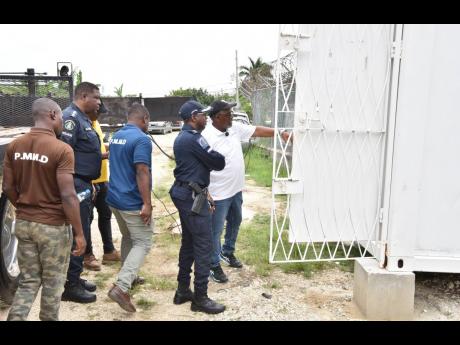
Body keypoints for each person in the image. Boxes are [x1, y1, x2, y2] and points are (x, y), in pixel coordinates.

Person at [2, 98, 86, 321]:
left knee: (29, 280)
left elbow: (8, 187)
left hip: (24, 224)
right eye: (60, 116)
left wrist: (23, 206)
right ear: (51, 115)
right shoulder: (62, 149)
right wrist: (79, 233)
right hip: (53, 228)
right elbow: (68, 195)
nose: (61, 121)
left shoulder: (15, 146)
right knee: (53, 282)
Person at [201, 100, 290, 283]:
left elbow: (256, 130)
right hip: (217, 194)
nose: (232, 116)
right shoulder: (206, 136)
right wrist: (205, 192)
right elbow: (199, 167)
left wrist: (280, 133)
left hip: (235, 190)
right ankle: (213, 264)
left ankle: (228, 252)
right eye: (229, 113)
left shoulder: (233, 128)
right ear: (217, 117)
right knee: (214, 231)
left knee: (235, 221)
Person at [169, 100, 226, 314]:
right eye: (203, 114)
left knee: (189, 242)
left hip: (187, 193)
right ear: (194, 117)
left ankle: (183, 289)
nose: (206, 118)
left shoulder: (183, 137)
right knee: (204, 246)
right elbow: (218, 162)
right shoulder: (194, 139)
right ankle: (200, 298)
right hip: (191, 196)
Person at [105, 103, 153, 313]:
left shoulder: (116, 135)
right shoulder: (142, 139)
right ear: (144, 119)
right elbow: (142, 171)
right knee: (143, 241)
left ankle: (129, 276)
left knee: (128, 238)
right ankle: (122, 286)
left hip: (114, 199)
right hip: (132, 202)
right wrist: (147, 203)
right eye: (148, 121)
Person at [60, 82, 102, 303]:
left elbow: (85, 154)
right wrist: (77, 183)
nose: (99, 102)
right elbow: (64, 154)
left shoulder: (83, 118)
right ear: (84, 95)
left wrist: (90, 181)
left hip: (83, 182)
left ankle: (75, 277)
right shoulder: (70, 118)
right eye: (96, 97)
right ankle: (71, 286)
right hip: (74, 185)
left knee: (83, 230)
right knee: (79, 233)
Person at [84, 100, 121, 271]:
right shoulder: (82, 125)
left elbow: (98, 147)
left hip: (102, 180)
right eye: (97, 113)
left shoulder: (95, 123)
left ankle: (109, 251)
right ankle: (87, 255)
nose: (99, 116)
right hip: (90, 181)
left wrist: (110, 146)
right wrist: (106, 155)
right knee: (87, 219)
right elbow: (85, 155)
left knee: (105, 215)